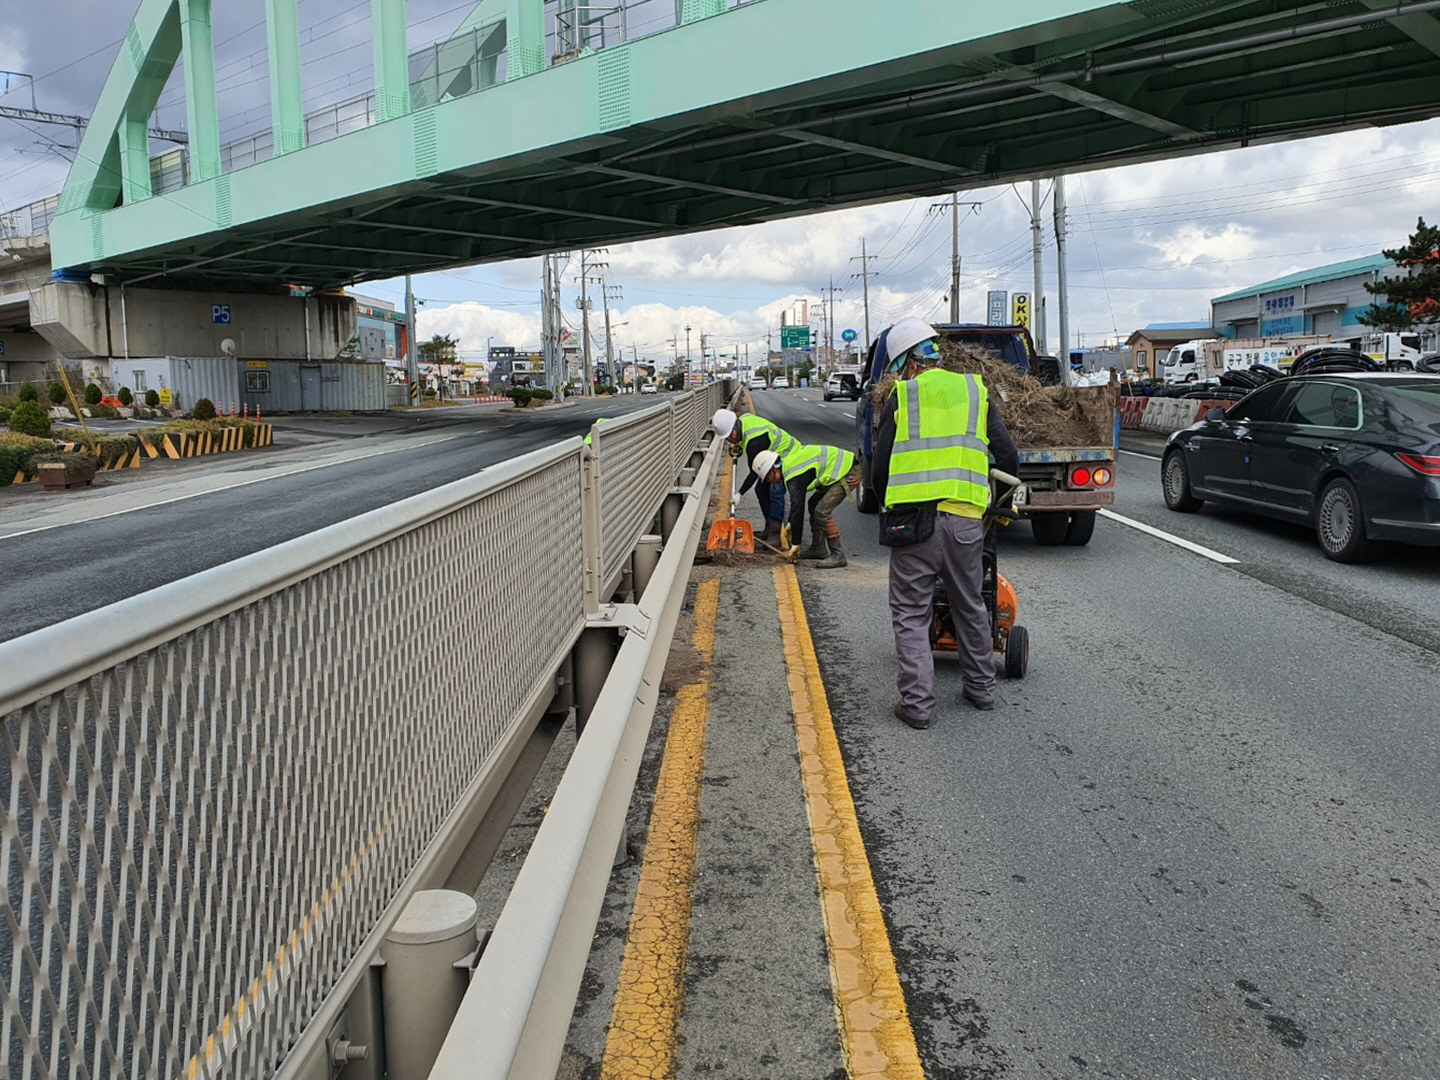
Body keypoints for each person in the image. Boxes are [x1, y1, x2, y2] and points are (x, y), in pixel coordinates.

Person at [871, 318, 1019, 730]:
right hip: (966, 520)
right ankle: (981, 691)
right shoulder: (974, 391)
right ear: (934, 353)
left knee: (911, 612)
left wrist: (888, 504)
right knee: (970, 603)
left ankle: (917, 707)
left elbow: (880, 470)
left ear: (905, 363)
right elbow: (1007, 457)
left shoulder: (902, 398)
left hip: (913, 524)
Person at [741, 445, 859, 569]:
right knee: (813, 504)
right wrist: (791, 523)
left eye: (767, 478)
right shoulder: (787, 465)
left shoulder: (793, 475)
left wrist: (796, 543)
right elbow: (797, 505)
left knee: (822, 511)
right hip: (840, 470)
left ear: (773, 470)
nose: (770, 482)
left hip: (849, 472)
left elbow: (798, 507)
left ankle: (838, 554)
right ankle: (818, 548)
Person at [711, 408, 799, 546]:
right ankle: (769, 527)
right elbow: (742, 441)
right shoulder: (744, 421)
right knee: (760, 489)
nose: (730, 440)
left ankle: (775, 534)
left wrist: (739, 494)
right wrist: (738, 446)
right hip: (770, 459)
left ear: (735, 426)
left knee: (775, 489)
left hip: (787, 455)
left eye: (730, 436)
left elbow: (755, 471)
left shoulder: (755, 441)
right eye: (727, 438)